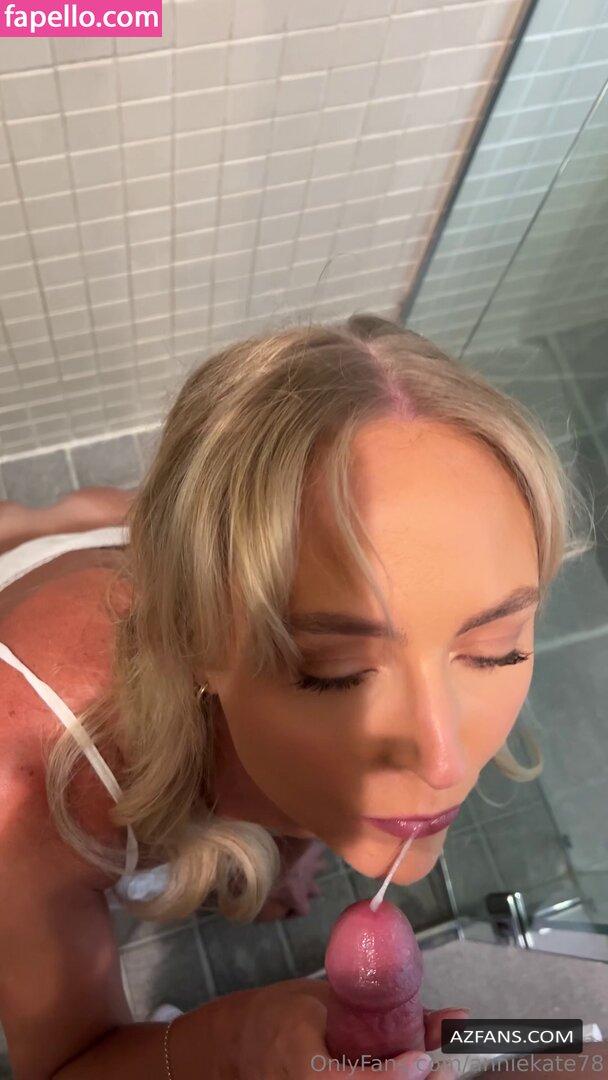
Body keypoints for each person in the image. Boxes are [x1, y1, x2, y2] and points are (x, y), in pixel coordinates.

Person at [0, 313, 595, 1079]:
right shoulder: (30, 775)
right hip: (57, 611)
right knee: (61, 534)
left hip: (150, 549)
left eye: (495, 648)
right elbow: (62, 1066)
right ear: (195, 645)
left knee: (132, 520)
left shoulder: (247, 625)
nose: (445, 763)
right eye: (337, 673)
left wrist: (289, 849)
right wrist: (238, 1037)